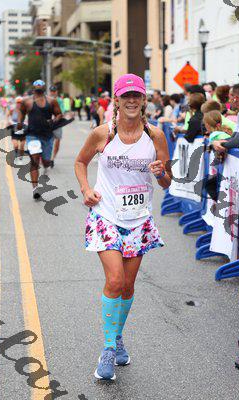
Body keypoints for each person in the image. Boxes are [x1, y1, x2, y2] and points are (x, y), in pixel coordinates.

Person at [74, 73, 170, 381]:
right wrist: (86, 189)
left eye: (136, 95)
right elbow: (80, 162)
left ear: (144, 99)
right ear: (117, 100)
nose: (131, 100)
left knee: (128, 286)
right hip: (106, 216)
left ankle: (116, 337)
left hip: (138, 219)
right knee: (115, 280)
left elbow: (167, 181)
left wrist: (160, 173)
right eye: (125, 96)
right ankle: (107, 349)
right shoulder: (103, 133)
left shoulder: (155, 136)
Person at [19, 80, 62, 199]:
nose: (38, 87)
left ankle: (46, 163)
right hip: (32, 135)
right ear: (33, 88)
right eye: (36, 86)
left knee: (46, 161)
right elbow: (21, 114)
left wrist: (54, 120)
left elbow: (59, 114)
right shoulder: (26, 101)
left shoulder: (52, 101)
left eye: (40, 86)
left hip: (47, 136)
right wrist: (19, 126)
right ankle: (35, 189)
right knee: (34, 160)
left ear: (44, 87)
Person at [8, 97, 25, 161]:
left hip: (23, 129)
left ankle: (21, 155)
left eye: (20, 103)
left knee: (22, 146)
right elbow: (8, 116)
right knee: (16, 145)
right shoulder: (12, 110)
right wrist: (9, 122)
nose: (19, 104)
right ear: (16, 103)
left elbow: (28, 118)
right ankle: (16, 153)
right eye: (18, 102)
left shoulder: (25, 110)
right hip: (14, 129)